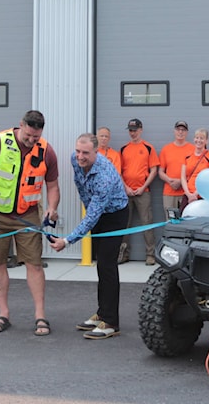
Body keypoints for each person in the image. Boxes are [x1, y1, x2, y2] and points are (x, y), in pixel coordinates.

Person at [0, 110, 60, 336]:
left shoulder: (46, 151)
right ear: (21, 125)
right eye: (29, 136)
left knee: (34, 263)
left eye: (36, 137)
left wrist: (52, 207)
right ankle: (3, 313)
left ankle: (40, 316)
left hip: (27, 216)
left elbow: (52, 186)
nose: (32, 141)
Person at [50, 133, 129, 340]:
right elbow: (82, 188)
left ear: (96, 152)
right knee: (101, 265)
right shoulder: (74, 160)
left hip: (115, 215)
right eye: (78, 151)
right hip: (98, 212)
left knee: (107, 265)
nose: (80, 156)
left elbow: (93, 214)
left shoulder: (104, 177)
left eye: (85, 153)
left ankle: (111, 322)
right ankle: (102, 313)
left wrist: (67, 241)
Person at [118, 118, 159, 265]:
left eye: (135, 130)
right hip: (126, 193)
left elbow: (154, 169)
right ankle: (124, 254)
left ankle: (150, 255)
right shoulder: (123, 149)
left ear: (141, 130)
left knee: (147, 223)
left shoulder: (148, 148)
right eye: (130, 130)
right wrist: (126, 188)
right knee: (124, 224)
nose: (132, 133)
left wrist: (143, 186)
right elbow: (119, 171)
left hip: (144, 191)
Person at [158, 121, 192, 212]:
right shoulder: (166, 149)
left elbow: (195, 172)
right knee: (170, 220)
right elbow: (160, 172)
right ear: (174, 131)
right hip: (169, 192)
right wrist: (170, 181)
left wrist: (181, 181)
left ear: (187, 132)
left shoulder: (192, 149)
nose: (180, 132)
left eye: (183, 130)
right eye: (178, 129)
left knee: (185, 220)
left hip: (186, 192)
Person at [180, 127, 209, 205]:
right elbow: (183, 177)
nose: (199, 140)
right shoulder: (187, 156)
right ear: (194, 139)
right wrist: (188, 193)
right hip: (188, 194)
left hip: (202, 195)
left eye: (202, 138)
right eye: (197, 138)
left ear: (206, 141)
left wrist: (195, 194)